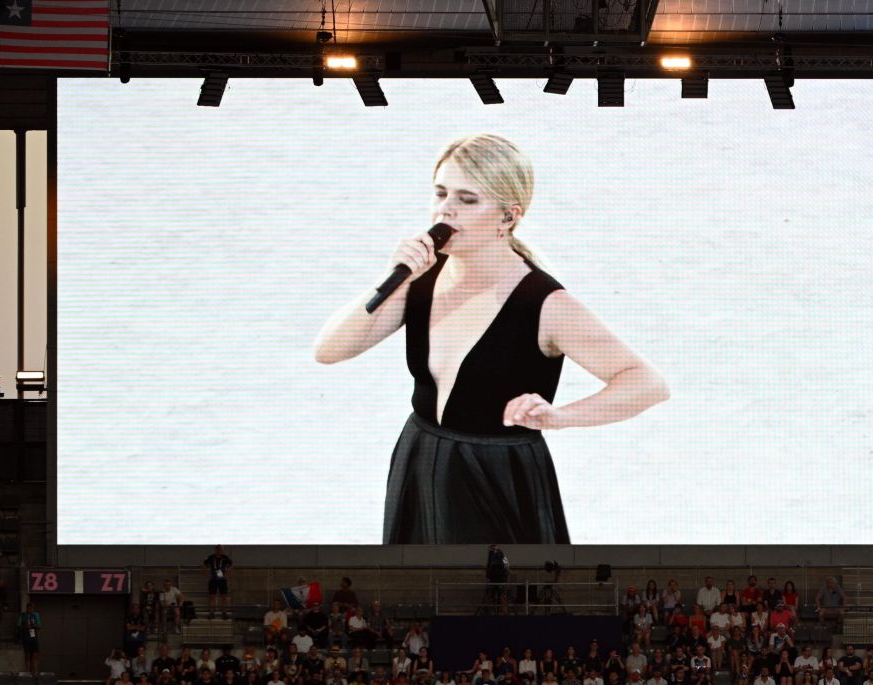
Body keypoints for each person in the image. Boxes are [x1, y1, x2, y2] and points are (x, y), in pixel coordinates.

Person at [315, 133, 670, 544]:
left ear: (508, 216)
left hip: (497, 473)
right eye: (441, 193)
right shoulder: (421, 281)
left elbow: (647, 382)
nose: (445, 211)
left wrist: (561, 416)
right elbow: (329, 351)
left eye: (468, 199)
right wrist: (394, 277)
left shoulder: (544, 303)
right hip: (419, 457)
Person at [202, 545, 234, 618]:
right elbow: (203, 564)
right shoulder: (211, 557)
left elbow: (232, 565)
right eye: (219, 549)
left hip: (222, 578)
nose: (220, 551)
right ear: (216, 550)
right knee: (212, 596)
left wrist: (227, 573)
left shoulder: (225, 557)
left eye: (221, 549)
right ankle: (212, 612)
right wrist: (207, 573)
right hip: (213, 578)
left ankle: (224, 612)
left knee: (224, 596)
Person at [17, 597, 40, 674]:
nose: (30, 610)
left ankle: (35, 672)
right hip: (26, 637)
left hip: (33, 636)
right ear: (27, 608)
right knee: (27, 655)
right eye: (29, 608)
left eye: (32, 608)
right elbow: (18, 625)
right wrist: (25, 627)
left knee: (35, 654)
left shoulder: (35, 615)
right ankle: (27, 672)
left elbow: (39, 626)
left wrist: (34, 625)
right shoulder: (23, 615)